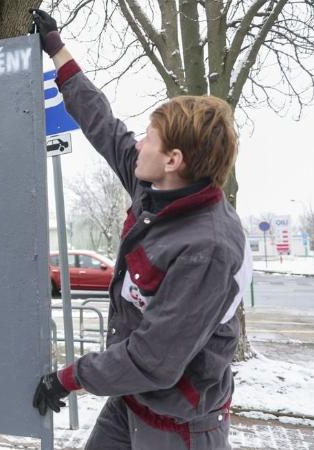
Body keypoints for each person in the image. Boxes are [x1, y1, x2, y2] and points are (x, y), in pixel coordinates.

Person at [29, 9, 252, 450]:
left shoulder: (208, 248)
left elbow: (154, 359)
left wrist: (69, 378)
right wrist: (56, 49)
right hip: (132, 402)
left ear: (173, 160)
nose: (138, 143)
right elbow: (103, 125)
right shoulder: (154, 188)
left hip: (180, 426)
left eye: (149, 137)